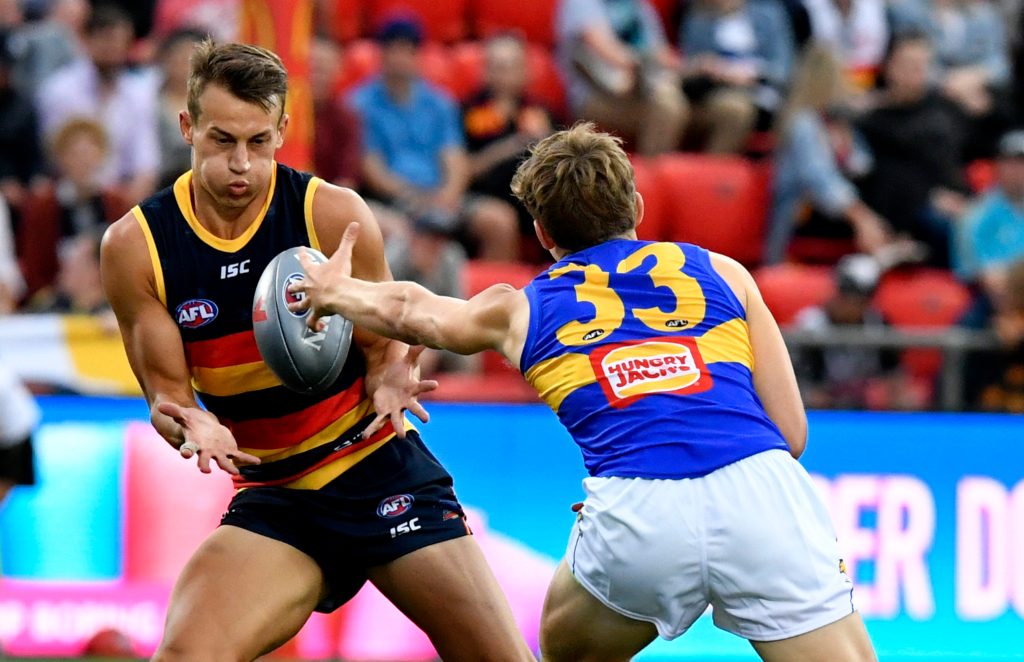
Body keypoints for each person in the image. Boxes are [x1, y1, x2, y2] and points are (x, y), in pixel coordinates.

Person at [290, 123, 878, 662]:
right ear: (638, 207)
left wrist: (335, 292)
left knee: (563, 648)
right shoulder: (724, 272)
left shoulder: (519, 307)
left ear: (543, 233)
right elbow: (791, 435)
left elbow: (414, 310)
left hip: (638, 512)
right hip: (763, 499)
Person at [99, 40, 534, 662]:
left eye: (259, 141)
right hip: (276, 499)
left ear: (283, 130)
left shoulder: (330, 213)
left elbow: (386, 346)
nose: (242, 165)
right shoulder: (137, 246)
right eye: (222, 141)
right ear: (187, 126)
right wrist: (190, 421)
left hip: (377, 467)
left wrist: (389, 376)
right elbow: (167, 394)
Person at [347, 16, 520, 261]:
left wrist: (447, 196)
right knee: (387, 225)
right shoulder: (359, 104)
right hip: (394, 200)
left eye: (408, 50)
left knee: (499, 221)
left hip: (441, 197)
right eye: (393, 49)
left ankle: (494, 297)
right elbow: (373, 171)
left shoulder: (440, 103)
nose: (400, 58)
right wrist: (415, 198)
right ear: (381, 54)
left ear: (418, 55)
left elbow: (455, 159)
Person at [556, 0, 687, 156]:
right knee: (668, 107)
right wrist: (650, 64)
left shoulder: (640, 6)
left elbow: (662, 53)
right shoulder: (581, 4)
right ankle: (648, 177)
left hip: (646, 89)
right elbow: (610, 53)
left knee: (723, 109)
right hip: (598, 96)